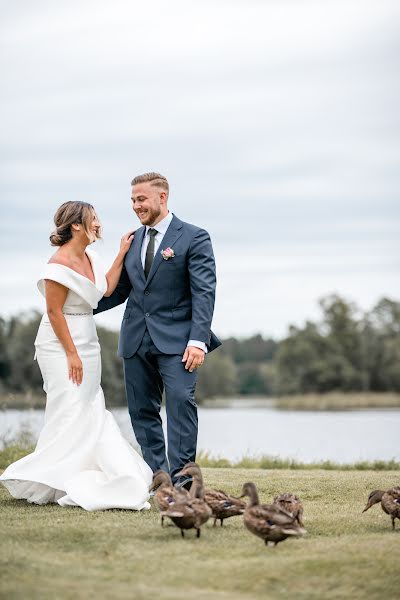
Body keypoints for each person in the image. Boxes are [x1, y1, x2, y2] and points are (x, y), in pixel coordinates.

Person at [0, 201, 152, 511]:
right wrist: (71, 354)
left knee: (89, 404)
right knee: (68, 406)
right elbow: (54, 312)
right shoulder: (56, 267)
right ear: (76, 226)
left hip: (88, 340)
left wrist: (121, 254)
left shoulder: (91, 257)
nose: (99, 223)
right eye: (93, 219)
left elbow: (106, 289)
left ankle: (82, 474)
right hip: (59, 344)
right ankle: (53, 476)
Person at [94, 172, 221, 488]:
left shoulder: (194, 237)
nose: (136, 206)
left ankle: (183, 482)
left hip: (180, 342)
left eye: (142, 199)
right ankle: (159, 480)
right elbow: (121, 289)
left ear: (162, 197)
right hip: (136, 339)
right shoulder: (132, 240)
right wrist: (79, 306)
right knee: (142, 412)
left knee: (180, 403)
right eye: (133, 200)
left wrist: (198, 340)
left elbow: (204, 291)